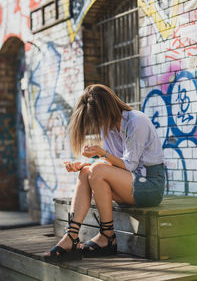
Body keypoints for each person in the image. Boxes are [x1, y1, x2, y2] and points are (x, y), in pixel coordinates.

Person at [44, 84, 165, 262]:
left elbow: (129, 165)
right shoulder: (107, 127)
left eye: (97, 117)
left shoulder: (135, 121)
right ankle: (72, 236)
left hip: (150, 185)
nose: (97, 123)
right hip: (129, 185)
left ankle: (107, 236)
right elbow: (108, 164)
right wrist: (82, 164)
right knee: (86, 172)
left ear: (107, 108)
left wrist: (102, 153)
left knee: (97, 169)